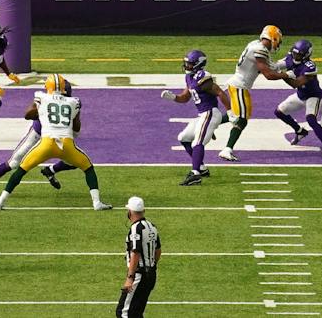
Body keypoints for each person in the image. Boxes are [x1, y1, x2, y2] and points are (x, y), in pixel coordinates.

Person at [0, 74, 112, 211]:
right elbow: (76, 127)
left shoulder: (41, 97)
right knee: (88, 168)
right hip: (66, 144)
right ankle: (96, 203)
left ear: (48, 87)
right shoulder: (74, 102)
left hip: (46, 144)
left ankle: (0, 202)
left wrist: (42, 113)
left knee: (21, 170)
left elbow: (27, 115)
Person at [162, 48, 230, 185]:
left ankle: (195, 174)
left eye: (190, 64)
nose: (187, 66)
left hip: (210, 113)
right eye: (186, 63)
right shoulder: (189, 77)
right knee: (183, 138)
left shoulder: (203, 77)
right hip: (203, 115)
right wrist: (173, 97)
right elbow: (185, 98)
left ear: (198, 64)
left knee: (197, 143)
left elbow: (220, 93)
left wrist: (230, 112)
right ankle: (202, 168)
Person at [221, 25, 288, 161]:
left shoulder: (255, 44)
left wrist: (286, 62)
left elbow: (271, 66)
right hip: (239, 85)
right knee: (242, 119)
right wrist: (286, 76)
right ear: (273, 38)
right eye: (278, 40)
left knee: (235, 115)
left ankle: (208, 121)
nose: (278, 43)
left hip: (239, 85)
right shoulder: (260, 50)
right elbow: (269, 74)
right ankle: (227, 149)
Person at [275, 38, 322, 158]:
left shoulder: (310, 66)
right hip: (301, 95)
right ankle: (299, 130)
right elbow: (275, 65)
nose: (295, 56)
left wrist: (283, 75)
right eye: (295, 53)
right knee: (279, 112)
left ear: (306, 55)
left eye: (299, 55)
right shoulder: (290, 58)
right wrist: (262, 68)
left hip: (313, 96)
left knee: (311, 119)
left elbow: (295, 84)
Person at [118, 195, 161, 317]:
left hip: (139, 275)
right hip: (151, 275)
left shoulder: (136, 229)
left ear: (130, 212)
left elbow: (135, 252)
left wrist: (130, 277)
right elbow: (158, 251)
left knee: (123, 313)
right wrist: (151, 266)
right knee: (136, 313)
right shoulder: (152, 226)